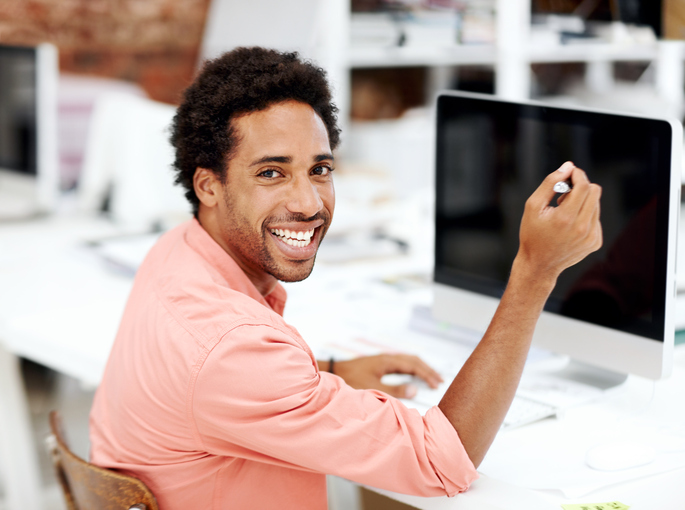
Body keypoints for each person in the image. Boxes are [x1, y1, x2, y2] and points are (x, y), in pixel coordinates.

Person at [89, 47, 602, 509]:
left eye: (319, 169)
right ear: (209, 186)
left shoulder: (176, 252)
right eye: (271, 173)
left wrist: (327, 370)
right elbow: (440, 463)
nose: (309, 203)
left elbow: (208, 373)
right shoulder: (233, 350)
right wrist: (536, 271)